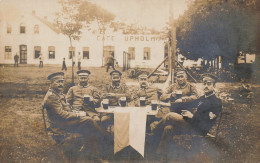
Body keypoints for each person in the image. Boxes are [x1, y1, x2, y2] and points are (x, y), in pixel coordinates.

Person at [152, 73, 222, 159]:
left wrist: (192, 116)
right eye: (204, 84)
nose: (206, 86)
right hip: (192, 123)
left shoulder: (215, 102)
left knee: (170, 115)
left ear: (214, 85)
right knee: (168, 128)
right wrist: (168, 104)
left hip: (199, 129)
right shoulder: (204, 97)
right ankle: (161, 154)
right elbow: (189, 104)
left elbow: (206, 122)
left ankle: (154, 130)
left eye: (209, 84)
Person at [43, 72, 108, 161]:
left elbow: (66, 108)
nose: (61, 84)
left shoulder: (58, 93)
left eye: (62, 82)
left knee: (89, 125)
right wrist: (77, 114)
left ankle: (94, 152)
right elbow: (61, 114)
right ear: (51, 83)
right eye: (58, 82)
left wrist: (74, 112)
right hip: (60, 124)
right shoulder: (52, 96)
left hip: (65, 120)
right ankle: (105, 142)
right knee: (89, 121)